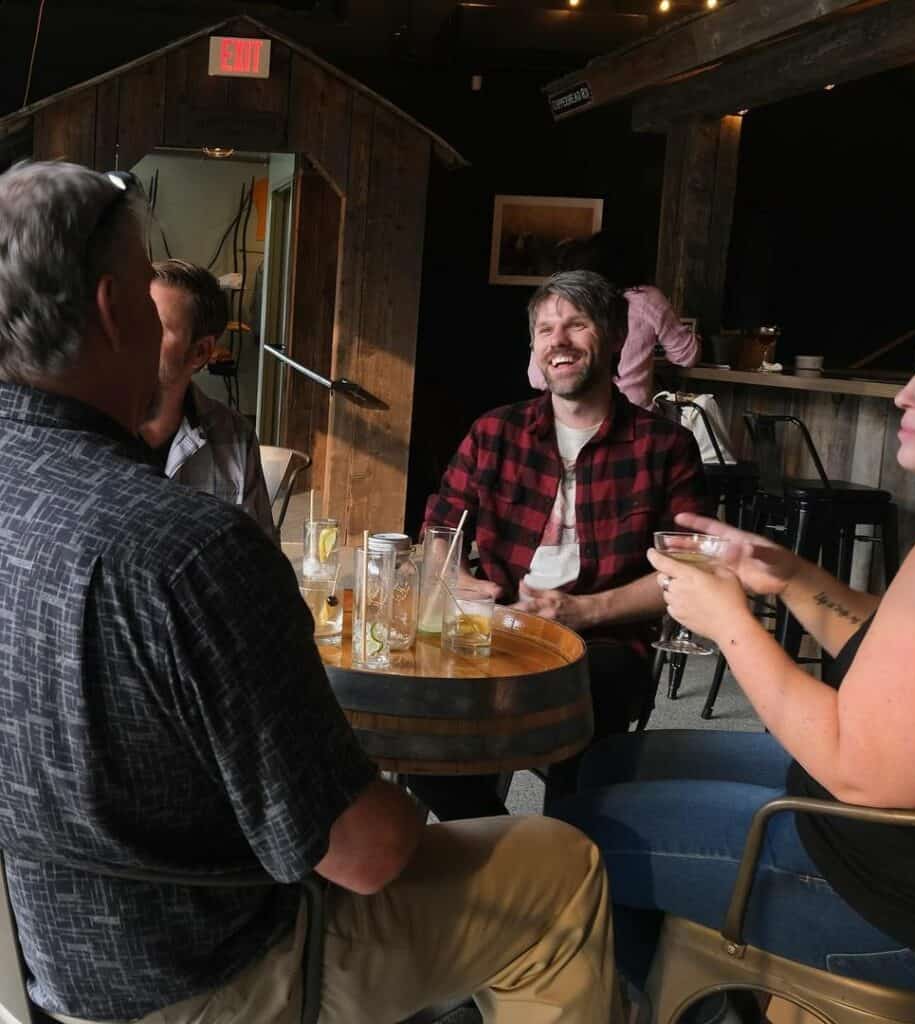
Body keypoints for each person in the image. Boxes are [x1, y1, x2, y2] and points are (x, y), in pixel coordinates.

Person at [0, 161, 623, 1024]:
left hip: (39, 960)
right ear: (112, 309)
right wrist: (378, 785)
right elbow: (367, 855)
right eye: (149, 289)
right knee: (561, 864)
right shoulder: (189, 549)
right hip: (212, 974)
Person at [553, 282, 915, 1019]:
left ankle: (675, 998)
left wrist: (730, 622)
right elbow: (912, 660)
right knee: (611, 762)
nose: (904, 394)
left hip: (897, 901)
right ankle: (674, 982)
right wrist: (793, 577)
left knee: (567, 842)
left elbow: (859, 770)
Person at [411, 270, 706, 820]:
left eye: (576, 324)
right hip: (497, 625)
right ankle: (510, 853)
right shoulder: (494, 432)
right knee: (415, 727)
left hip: (605, 642)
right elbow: (438, 534)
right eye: (545, 329)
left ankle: (568, 846)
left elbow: (686, 572)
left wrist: (584, 610)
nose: (558, 341)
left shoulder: (665, 446)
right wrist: (452, 575)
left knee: (578, 722)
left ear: (616, 336)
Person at [139, 258, 275, 538]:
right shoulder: (87, 427)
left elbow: (260, 561)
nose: (134, 334)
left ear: (200, 352)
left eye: (157, 326)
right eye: (135, 318)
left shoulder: (235, 438)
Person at [527, 232, 699, 409]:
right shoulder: (646, 299)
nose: (558, 339)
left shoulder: (564, 302)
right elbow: (687, 355)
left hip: (573, 411)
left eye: (577, 325)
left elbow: (537, 379)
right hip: (632, 412)